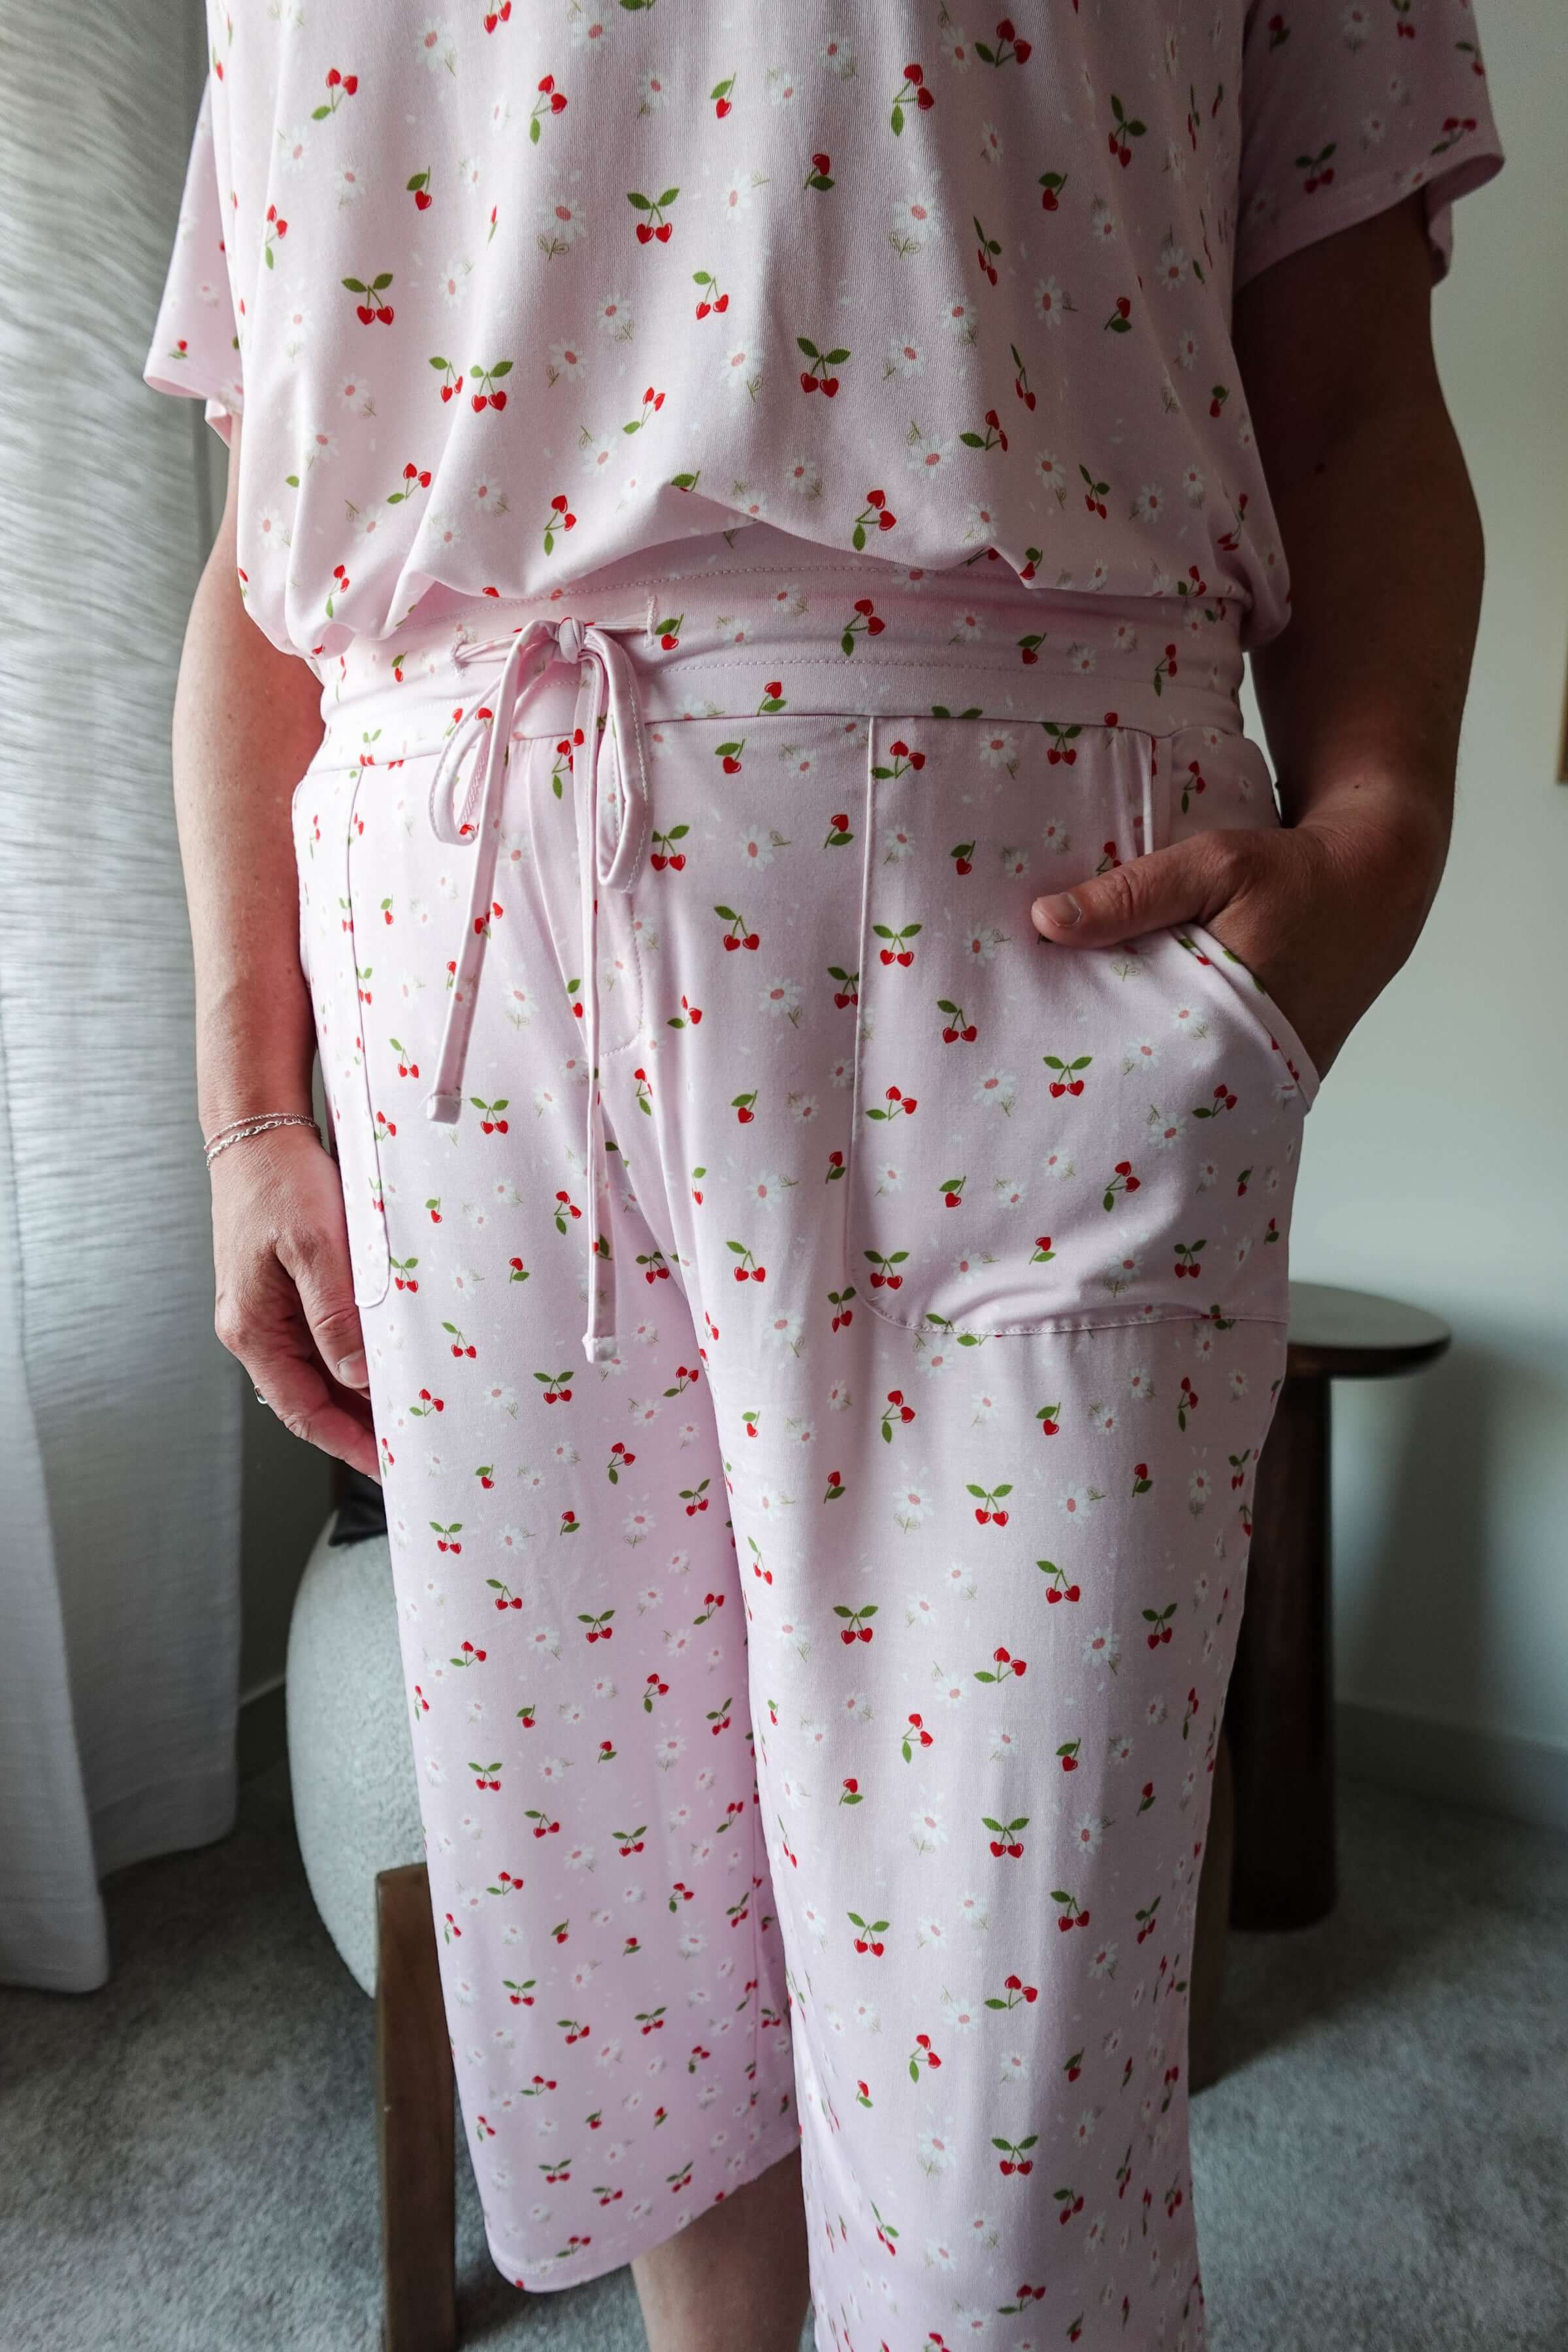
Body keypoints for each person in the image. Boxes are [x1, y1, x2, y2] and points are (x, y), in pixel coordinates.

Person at [145, 8, 1503, 2347]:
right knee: (625, 1985)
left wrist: (1374, 840)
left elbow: (1358, 370)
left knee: (1012, 2115)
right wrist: (247, 1109)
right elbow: (273, 511)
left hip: (1028, 929)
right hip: (461, 952)